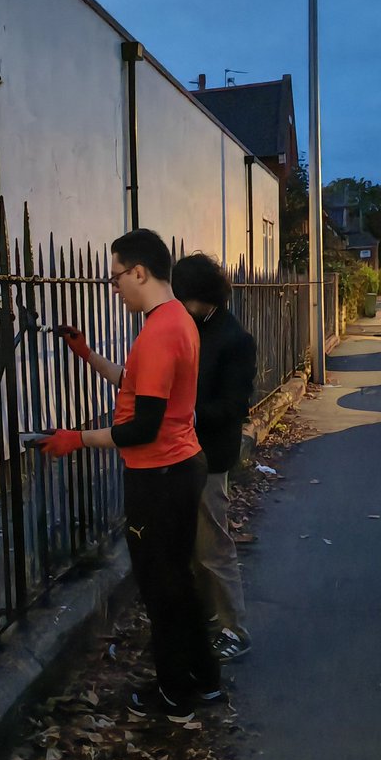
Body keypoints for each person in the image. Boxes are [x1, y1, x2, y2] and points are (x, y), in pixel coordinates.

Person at [38, 228, 220, 724]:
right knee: (177, 579)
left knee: (161, 586)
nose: (114, 287)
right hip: (178, 465)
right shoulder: (173, 318)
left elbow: (143, 426)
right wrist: (89, 356)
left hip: (159, 475)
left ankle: (174, 696)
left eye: (116, 277)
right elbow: (139, 384)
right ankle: (203, 679)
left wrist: (76, 439)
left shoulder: (160, 330)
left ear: (139, 272)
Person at [171, 253, 257, 662]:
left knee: (213, 546)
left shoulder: (234, 339)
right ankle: (206, 616)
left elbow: (234, 406)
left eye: (184, 297)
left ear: (204, 297)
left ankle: (234, 628)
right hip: (183, 451)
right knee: (193, 546)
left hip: (209, 456)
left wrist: (184, 410)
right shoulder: (192, 327)